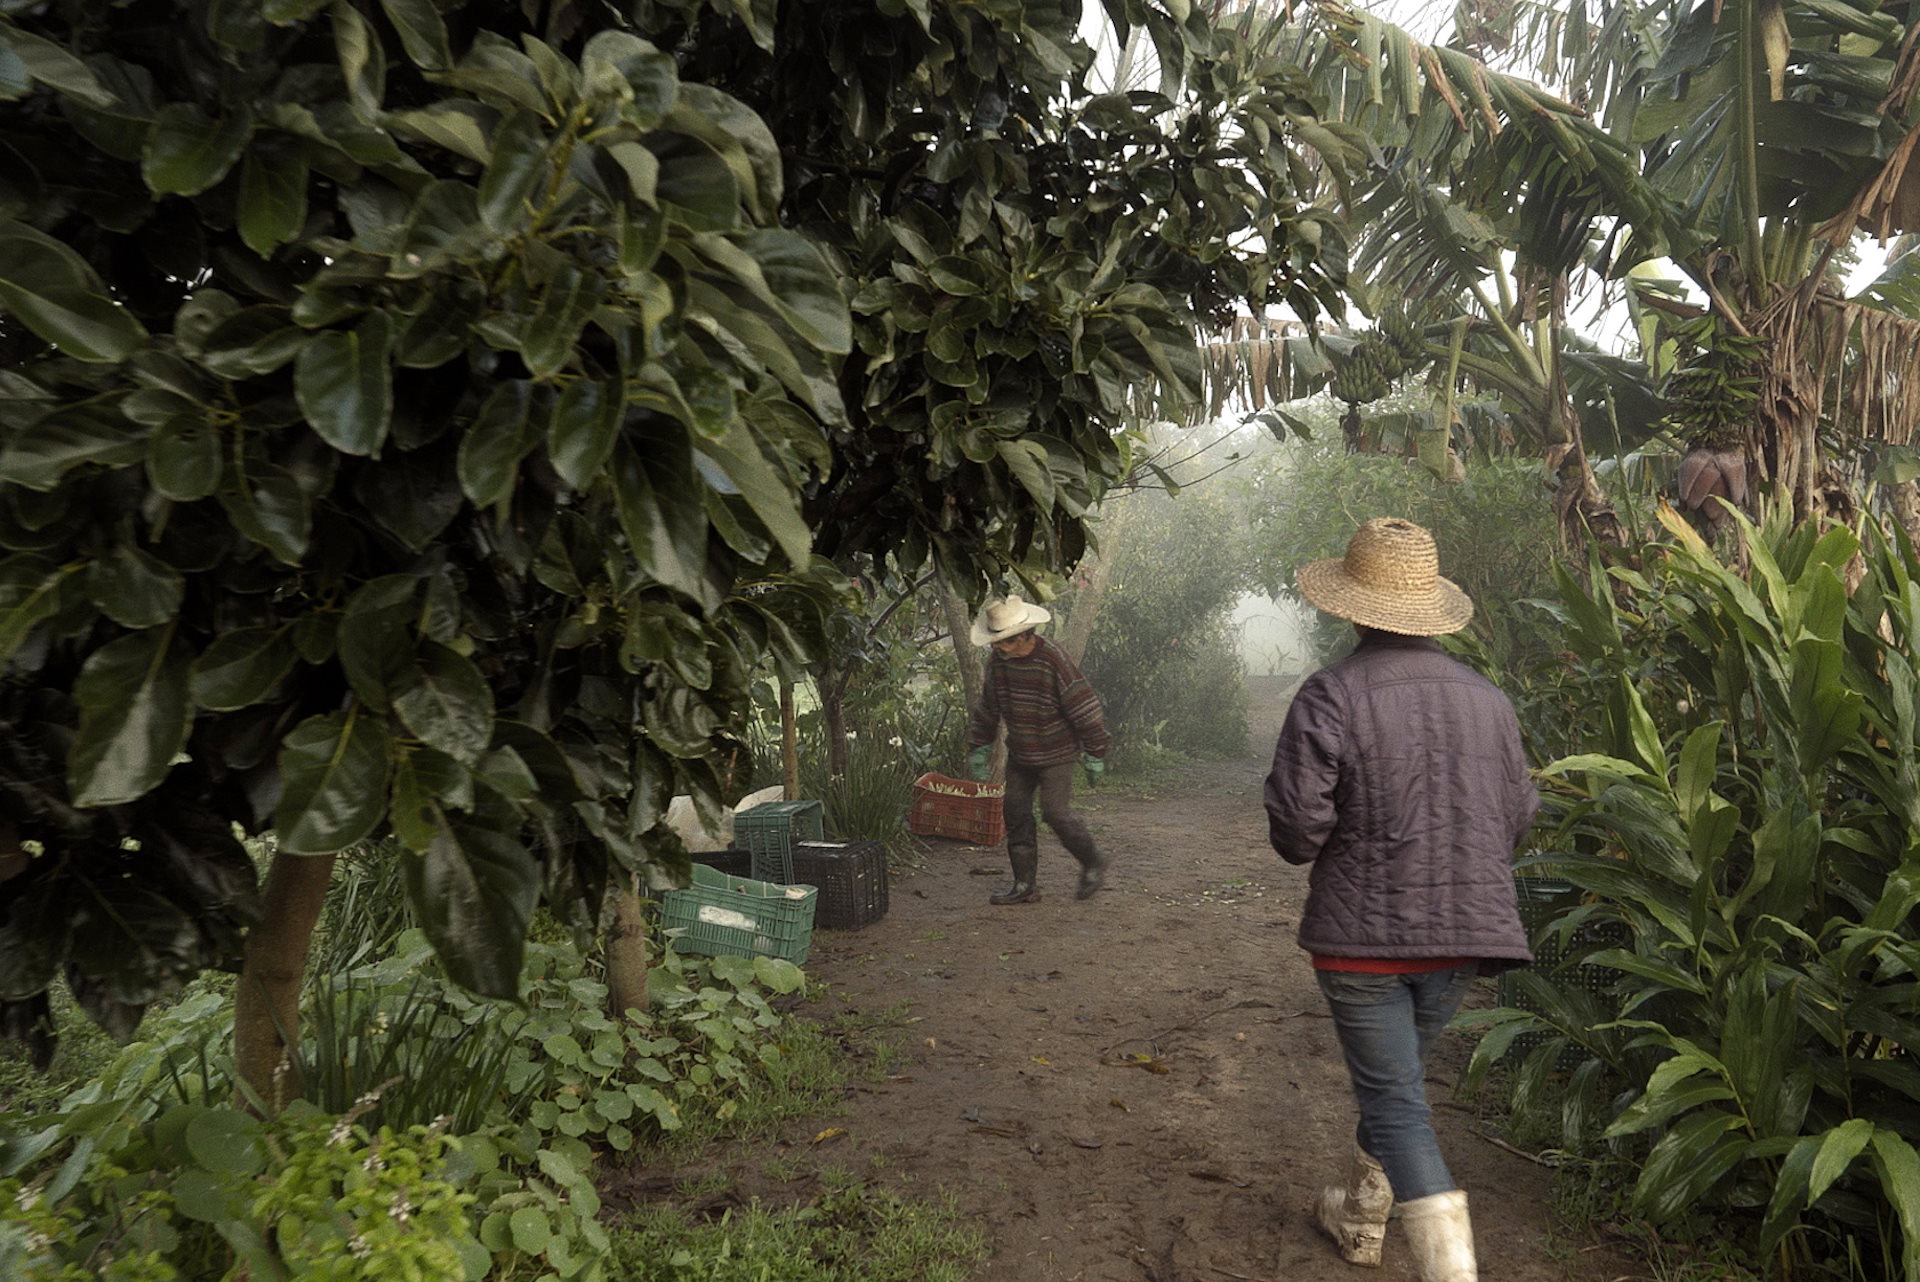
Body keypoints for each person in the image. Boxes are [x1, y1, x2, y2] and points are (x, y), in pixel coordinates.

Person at [1264, 518, 1536, 1282]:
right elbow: (1516, 816)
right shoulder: (1490, 701)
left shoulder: (1331, 696)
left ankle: (1452, 1273)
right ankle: (1358, 1217)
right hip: (1462, 942)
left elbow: (1296, 831)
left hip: (1363, 946)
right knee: (1399, 1085)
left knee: (1394, 1102)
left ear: (1351, 608)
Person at [964, 595, 1111, 904]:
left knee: (1055, 812)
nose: (996, 647)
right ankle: (1024, 885)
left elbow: (1084, 706)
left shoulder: (1053, 659)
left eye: (1003, 642)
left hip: (1057, 752)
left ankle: (1093, 861)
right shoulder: (998, 664)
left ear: (1024, 636)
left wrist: (1096, 752)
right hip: (1021, 752)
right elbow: (989, 707)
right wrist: (979, 745)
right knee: (1015, 812)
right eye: (995, 641)